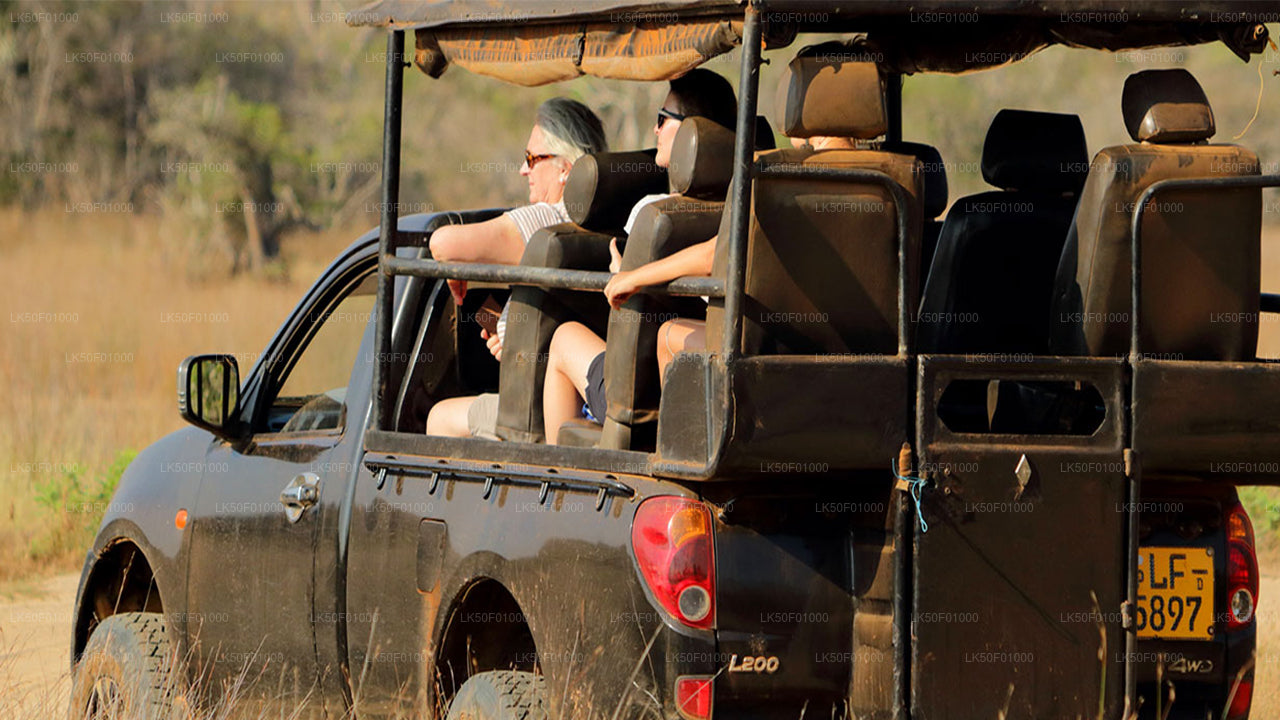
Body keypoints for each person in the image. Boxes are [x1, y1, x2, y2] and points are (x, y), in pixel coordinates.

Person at [541, 71, 743, 444]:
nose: (654, 129)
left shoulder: (653, 212)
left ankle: (559, 468)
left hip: (636, 389)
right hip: (708, 373)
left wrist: (627, 273)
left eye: (663, 119)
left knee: (563, 338)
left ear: (691, 133)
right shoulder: (739, 203)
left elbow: (719, 252)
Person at [425, 97, 607, 439]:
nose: (523, 170)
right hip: (580, 403)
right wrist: (505, 330)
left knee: (438, 417)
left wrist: (456, 267)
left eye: (531, 159)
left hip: (531, 410)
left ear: (565, 168)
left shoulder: (545, 221)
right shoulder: (612, 222)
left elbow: (442, 243)